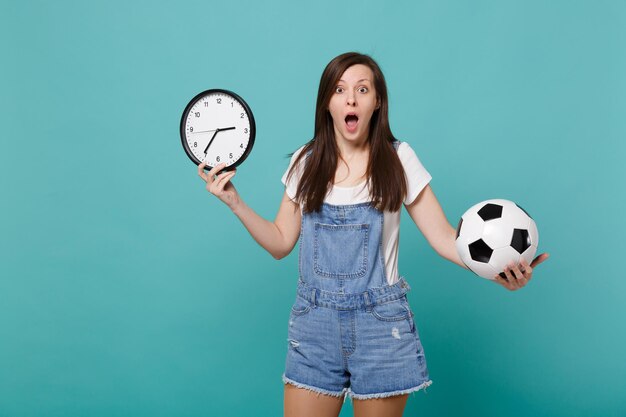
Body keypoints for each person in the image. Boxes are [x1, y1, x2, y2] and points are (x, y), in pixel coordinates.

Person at [198, 52, 549, 417]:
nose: (351, 98)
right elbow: (280, 242)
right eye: (340, 89)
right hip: (314, 324)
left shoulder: (399, 159)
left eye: (362, 89)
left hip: (381, 327)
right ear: (327, 103)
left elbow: (446, 237)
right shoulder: (305, 161)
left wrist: (497, 272)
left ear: (377, 101)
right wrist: (234, 202)